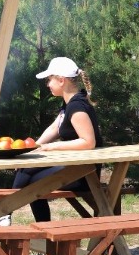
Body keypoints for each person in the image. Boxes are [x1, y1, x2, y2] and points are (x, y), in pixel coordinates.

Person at [11, 56, 103, 222]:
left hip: (84, 173)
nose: (47, 84)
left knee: (30, 179)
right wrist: (33, 147)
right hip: (74, 168)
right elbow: (55, 128)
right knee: (27, 170)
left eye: (49, 79)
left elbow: (88, 142)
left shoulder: (77, 106)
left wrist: (50, 147)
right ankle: (10, 215)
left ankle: (4, 211)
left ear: (61, 80)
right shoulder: (70, 103)